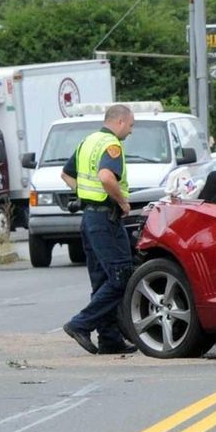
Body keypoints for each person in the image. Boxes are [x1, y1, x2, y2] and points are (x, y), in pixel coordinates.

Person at [60, 105, 138, 355]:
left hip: (90, 219)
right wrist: (122, 202)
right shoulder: (111, 145)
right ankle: (80, 324)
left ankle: (109, 338)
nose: (131, 131)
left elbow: (66, 174)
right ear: (120, 121)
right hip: (106, 220)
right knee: (121, 276)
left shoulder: (88, 141)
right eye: (131, 125)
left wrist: (85, 195)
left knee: (102, 279)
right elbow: (106, 177)